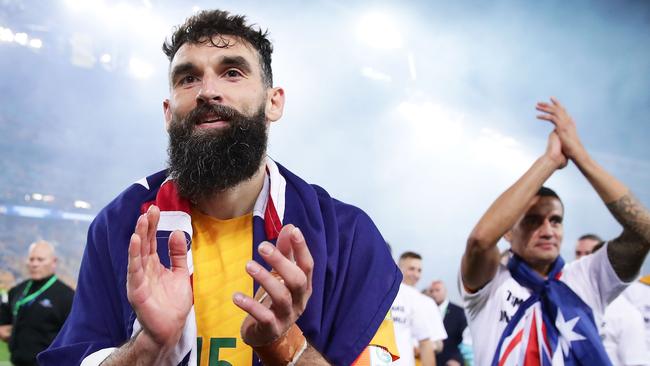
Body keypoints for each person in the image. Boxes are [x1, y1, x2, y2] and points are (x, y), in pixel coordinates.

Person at [38, 9, 401, 366]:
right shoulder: (121, 226)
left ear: (273, 102)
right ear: (168, 112)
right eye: (188, 78)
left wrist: (285, 346)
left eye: (232, 72)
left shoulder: (347, 237)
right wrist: (149, 347)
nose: (207, 92)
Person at [460, 97, 650, 365]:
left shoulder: (587, 276)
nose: (548, 230)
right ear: (507, 232)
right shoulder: (492, 283)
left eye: (556, 220)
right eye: (532, 221)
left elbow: (643, 232)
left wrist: (580, 156)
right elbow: (480, 240)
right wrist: (549, 161)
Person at [0, 241, 74, 366]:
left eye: (40, 260)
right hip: (17, 362)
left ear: (53, 262)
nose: (34, 264)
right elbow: (4, 316)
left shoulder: (67, 296)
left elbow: (72, 337)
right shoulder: (17, 290)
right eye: (31, 259)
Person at [393, 251, 447, 366]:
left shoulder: (427, 303)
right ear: (399, 268)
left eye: (419, 270)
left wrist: (423, 347)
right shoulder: (386, 296)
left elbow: (439, 343)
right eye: (411, 269)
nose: (416, 274)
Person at [425, 280, 469, 366]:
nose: (434, 294)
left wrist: (456, 359)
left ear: (445, 291)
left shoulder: (459, 312)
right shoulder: (424, 312)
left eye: (437, 290)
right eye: (431, 291)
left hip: (452, 361)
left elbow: (466, 341)